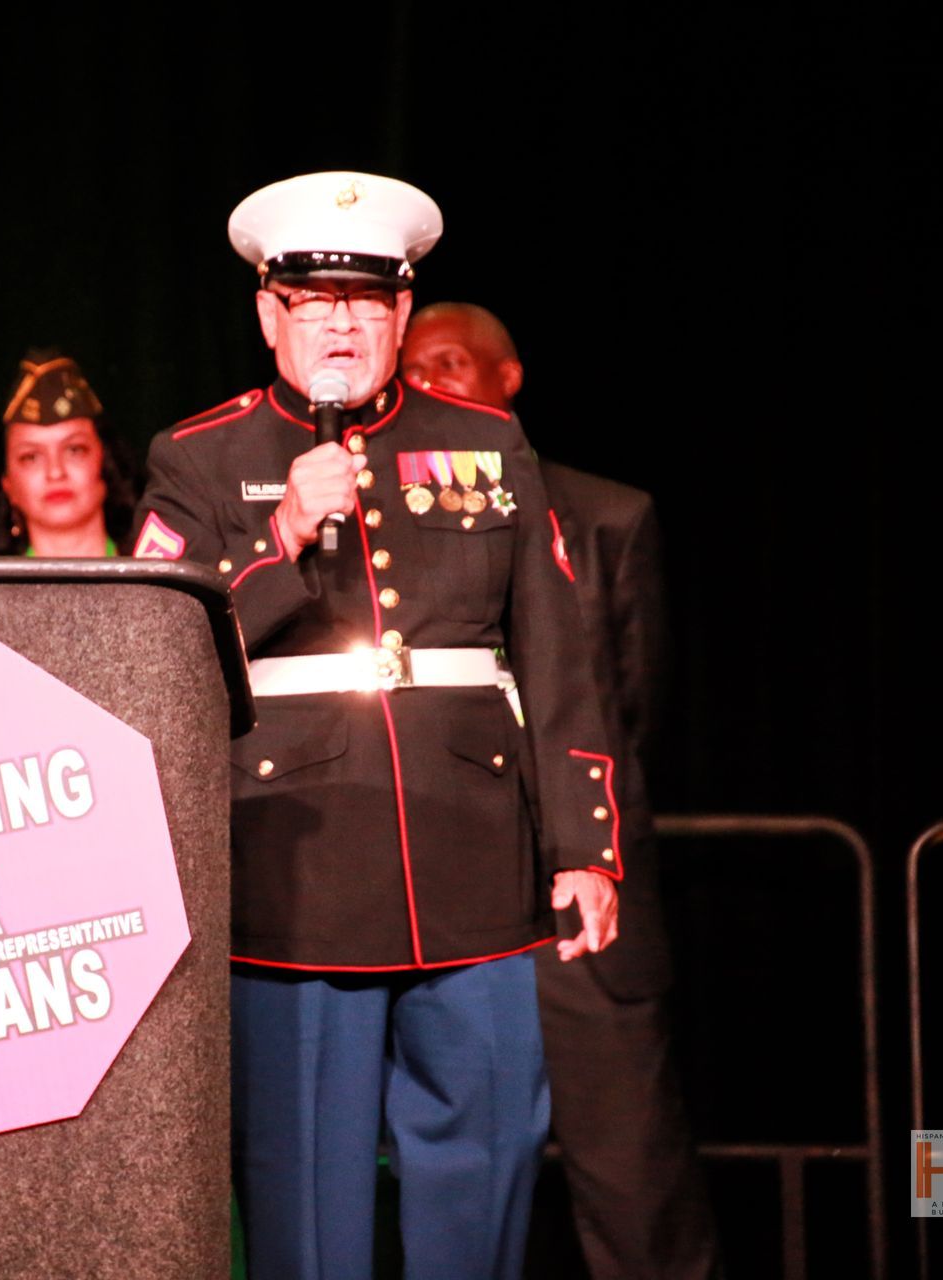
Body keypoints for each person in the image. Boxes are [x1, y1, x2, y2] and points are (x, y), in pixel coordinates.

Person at [130, 172, 625, 1280]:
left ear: (402, 313)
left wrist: (584, 844)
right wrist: (281, 539)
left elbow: (555, 653)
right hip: (296, 871)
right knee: (306, 1193)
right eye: (314, 303)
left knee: (489, 1166)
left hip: (475, 862)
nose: (341, 326)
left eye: (365, 302)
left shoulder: (486, 440)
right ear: (270, 315)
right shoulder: (199, 456)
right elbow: (151, 659)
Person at [402, 302, 720, 1280]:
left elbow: (633, 709)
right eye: (414, 370)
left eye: (450, 362)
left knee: (634, 1182)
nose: (428, 383)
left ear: (508, 378)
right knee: (455, 1178)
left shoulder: (609, 515)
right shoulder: (385, 521)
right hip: (443, 902)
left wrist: (577, 834)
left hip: (588, 910)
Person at [0, 350, 137, 556]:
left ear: (107, 463)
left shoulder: (157, 572)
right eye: (31, 457)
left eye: (74, 450)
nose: (55, 472)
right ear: (6, 483)